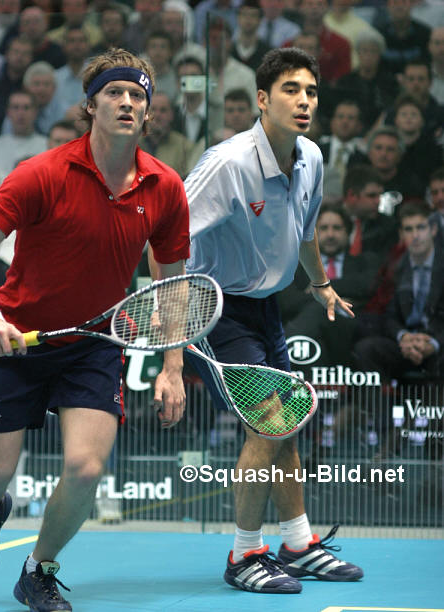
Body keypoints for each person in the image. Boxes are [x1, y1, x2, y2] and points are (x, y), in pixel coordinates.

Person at [0, 47, 190, 612]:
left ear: (148, 110)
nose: (127, 102)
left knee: (86, 467)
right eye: (114, 93)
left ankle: (38, 570)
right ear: (90, 105)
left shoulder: (164, 187)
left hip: (93, 345)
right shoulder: (41, 174)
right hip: (17, 340)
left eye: (137, 95)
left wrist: (173, 366)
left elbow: (174, 284)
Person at [181, 47, 363, 594]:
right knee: (268, 424)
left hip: (267, 308)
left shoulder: (311, 157)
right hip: (217, 308)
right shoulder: (227, 164)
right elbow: (168, 234)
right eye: (291, 90)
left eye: (311, 91)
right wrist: (173, 322)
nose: (304, 101)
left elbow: (305, 230)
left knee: (286, 424)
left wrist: (320, 282)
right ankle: (244, 554)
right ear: (262, 99)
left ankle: (298, 544)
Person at [352, 200, 444, 383]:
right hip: (405, 343)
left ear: (433, 230)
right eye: (409, 229)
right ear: (401, 234)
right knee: (366, 349)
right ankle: (378, 403)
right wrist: (403, 337)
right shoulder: (395, 267)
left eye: (421, 227)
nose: (415, 235)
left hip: (438, 342)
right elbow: (388, 315)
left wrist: (433, 344)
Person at [279, 202, 379, 365]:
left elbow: (366, 286)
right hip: (311, 330)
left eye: (337, 228)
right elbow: (287, 302)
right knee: (316, 315)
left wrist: (321, 287)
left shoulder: (364, 262)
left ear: (348, 232)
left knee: (316, 312)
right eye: (324, 228)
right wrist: (329, 301)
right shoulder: (296, 267)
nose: (330, 234)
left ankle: (284, 364)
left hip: (351, 329)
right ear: (313, 233)